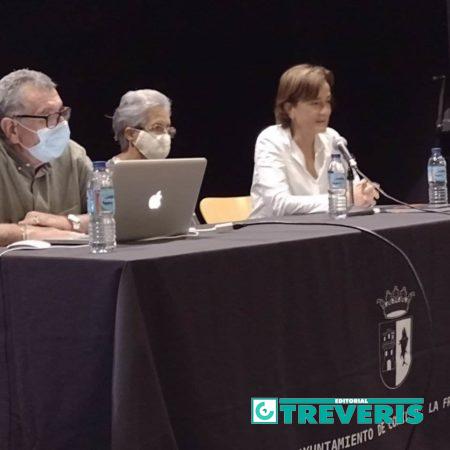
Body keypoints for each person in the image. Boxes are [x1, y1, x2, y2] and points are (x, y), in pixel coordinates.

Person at [250, 63, 379, 218]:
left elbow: (355, 192)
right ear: (289, 108)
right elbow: (280, 205)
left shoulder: (332, 138)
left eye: (327, 102)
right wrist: (346, 199)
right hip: (271, 236)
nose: (325, 111)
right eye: (315, 103)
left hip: (322, 234)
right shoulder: (270, 140)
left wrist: (364, 194)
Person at [0, 69, 92, 233]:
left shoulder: (74, 155)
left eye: (61, 113)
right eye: (47, 116)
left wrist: (67, 223)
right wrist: (24, 234)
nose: (61, 123)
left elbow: (111, 215)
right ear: (12, 129)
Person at [110, 89, 175, 164]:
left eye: (168, 129)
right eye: (157, 127)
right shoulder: (107, 174)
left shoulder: (170, 173)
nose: (166, 136)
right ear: (130, 134)